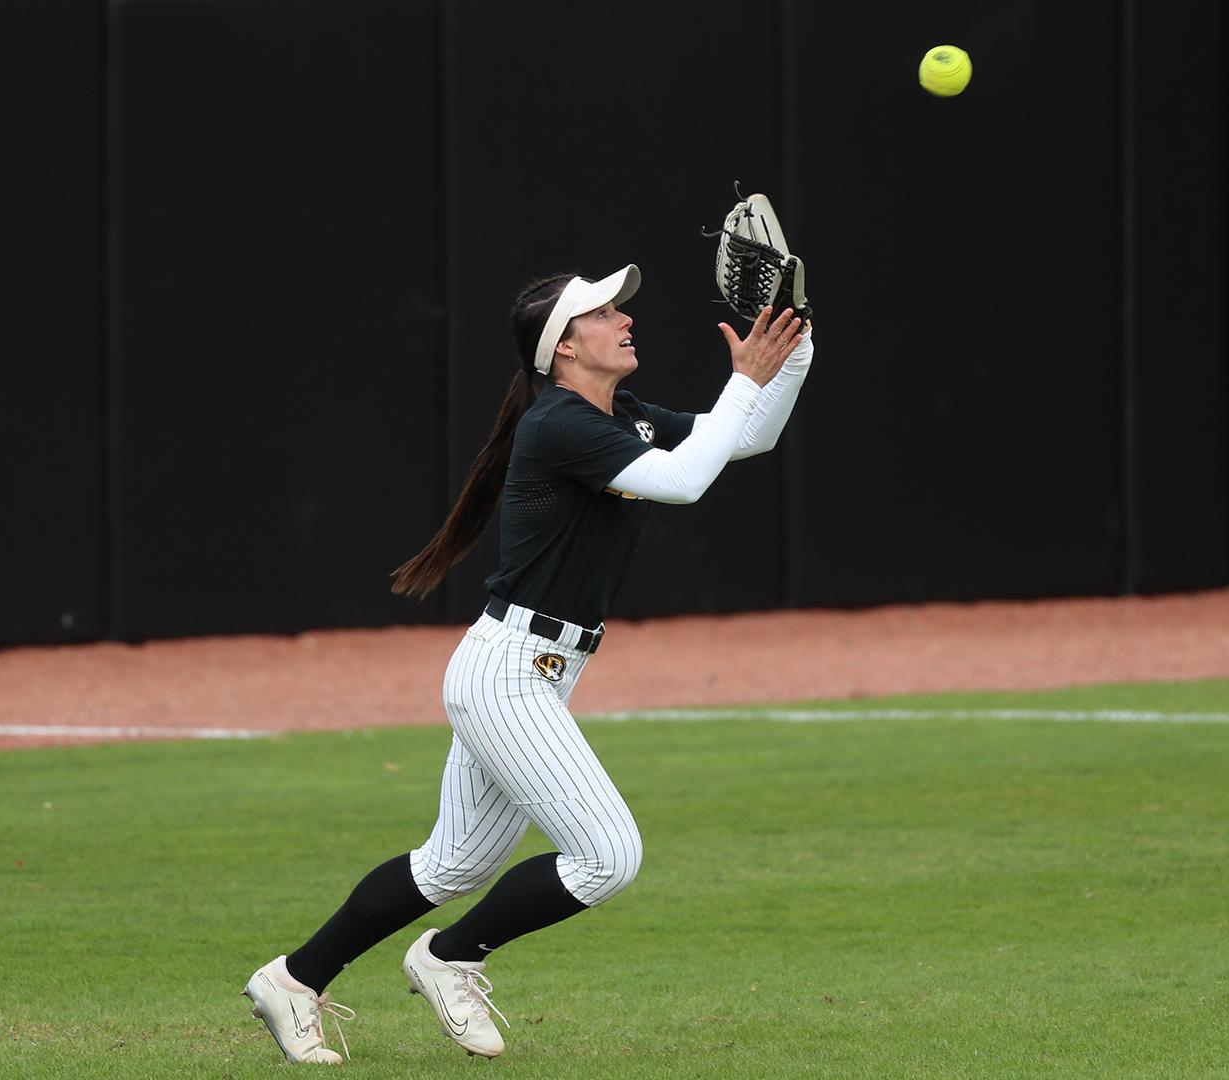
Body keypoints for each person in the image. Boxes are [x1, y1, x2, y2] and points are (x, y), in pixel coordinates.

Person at [241, 265, 813, 1063]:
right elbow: (683, 482)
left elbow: (746, 436)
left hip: (528, 669)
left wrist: (792, 355)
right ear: (565, 348)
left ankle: (293, 979)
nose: (623, 320)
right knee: (609, 856)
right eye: (603, 313)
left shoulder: (623, 415)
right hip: (509, 671)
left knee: (453, 863)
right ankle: (451, 956)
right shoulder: (560, 424)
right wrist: (747, 380)